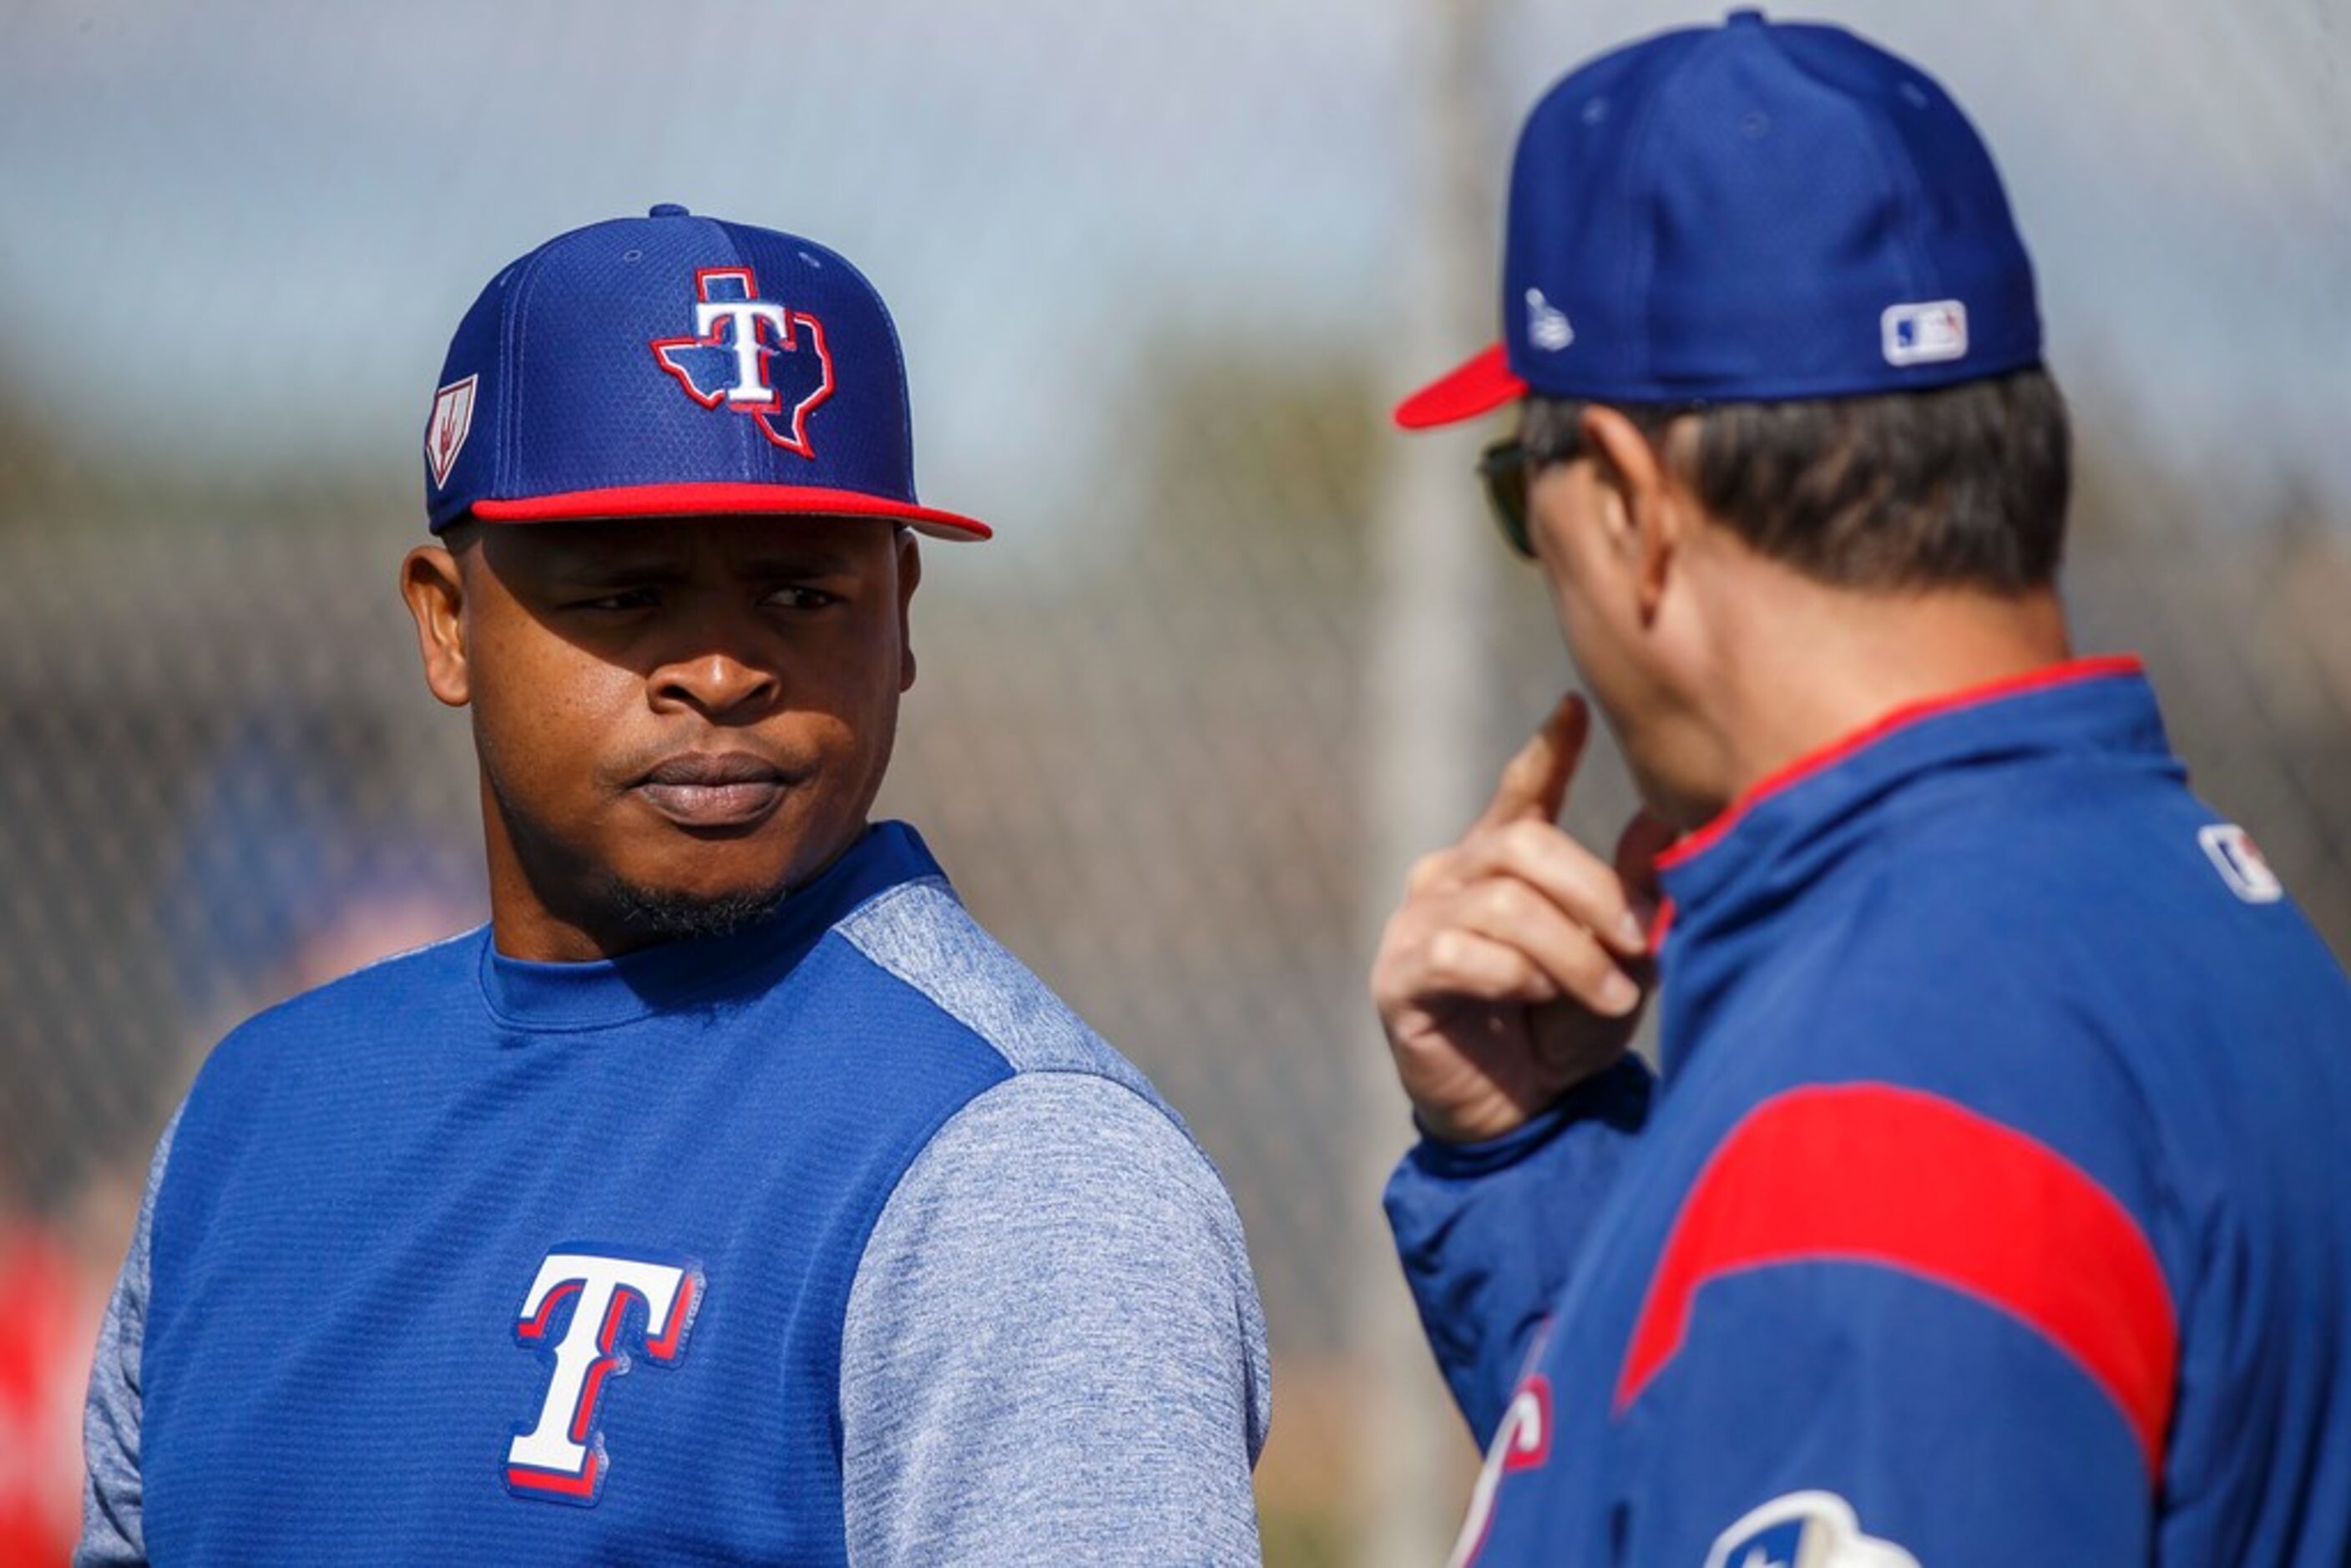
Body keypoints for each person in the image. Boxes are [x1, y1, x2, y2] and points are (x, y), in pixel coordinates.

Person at [78, 205, 1269, 1565]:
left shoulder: (1015, 1163)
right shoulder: (258, 1113)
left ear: (902, 614)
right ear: (445, 620)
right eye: (628, 592)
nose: (720, 671)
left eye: (803, 595)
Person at [1372, 15, 2351, 1565]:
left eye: (1522, 493)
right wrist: (1535, 1152)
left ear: (1631, 507)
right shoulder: (2214, 927)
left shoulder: (1884, 1102)